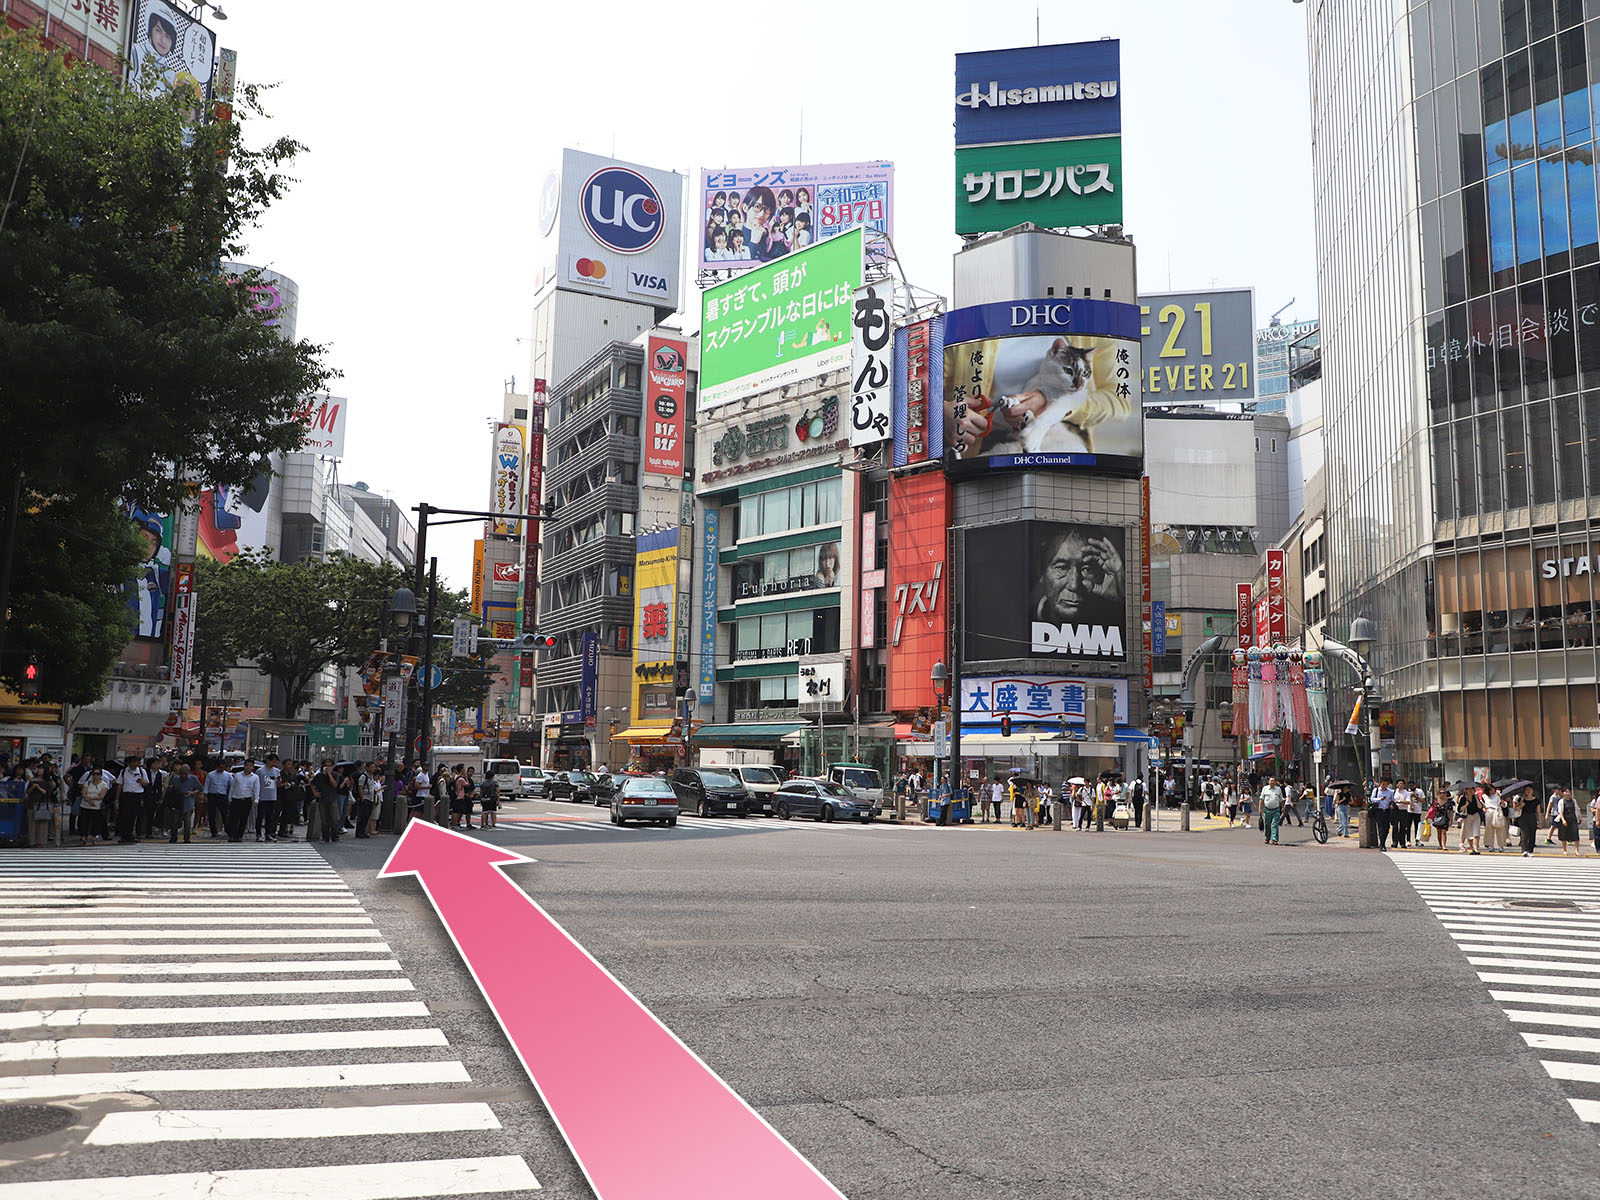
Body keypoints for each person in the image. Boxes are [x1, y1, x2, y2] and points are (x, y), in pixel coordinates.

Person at [1031, 526, 1124, 632]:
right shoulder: (1021, 623)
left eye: (1087, 569)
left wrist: (1125, 599)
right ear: (1040, 571)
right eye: (1061, 568)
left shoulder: (1118, 621)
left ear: (1102, 574)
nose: (1074, 585)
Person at [114, 754, 149, 844]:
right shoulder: (123, 771)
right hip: (126, 795)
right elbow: (119, 785)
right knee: (125, 816)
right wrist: (116, 799)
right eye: (132, 762)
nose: (134, 764)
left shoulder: (142, 771)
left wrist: (141, 781)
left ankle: (130, 835)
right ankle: (124, 835)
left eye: (136, 762)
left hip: (137, 795)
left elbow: (146, 784)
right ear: (128, 763)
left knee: (133, 816)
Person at [224, 757, 260, 842]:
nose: (248, 767)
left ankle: (239, 836)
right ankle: (232, 835)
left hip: (247, 799)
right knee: (233, 818)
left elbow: (256, 789)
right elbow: (232, 787)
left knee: (244, 819)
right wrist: (230, 797)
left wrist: (256, 799)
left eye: (250, 765)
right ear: (244, 766)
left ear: (252, 767)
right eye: (247, 765)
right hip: (236, 798)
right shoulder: (237, 775)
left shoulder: (255, 777)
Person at [164, 761, 200, 843]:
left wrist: (192, 792)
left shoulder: (193, 778)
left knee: (187, 822)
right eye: (182, 773)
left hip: (188, 802)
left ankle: (187, 838)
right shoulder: (176, 779)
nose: (184, 775)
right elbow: (171, 789)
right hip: (178, 802)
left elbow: (199, 788)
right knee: (175, 821)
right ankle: (174, 837)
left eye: (186, 773)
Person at [78, 761, 109, 845]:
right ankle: (83, 837)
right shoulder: (87, 783)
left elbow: (102, 796)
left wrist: (91, 797)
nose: (95, 776)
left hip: (97, 807)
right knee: (84, 822)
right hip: (85, 805)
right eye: (94, 774)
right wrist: (89, 800)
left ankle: (94, 837)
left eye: (98, 774)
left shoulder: (104, 785)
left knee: (96, 822)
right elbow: (83, 793)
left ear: (101, 775)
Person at [254, 754, 280, 842]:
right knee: (260, 816)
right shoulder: (260, 771)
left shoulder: (276, 771)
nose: (275, 763)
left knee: (270, 817)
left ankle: (268, 834)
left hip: (272, 796)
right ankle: (258, 834)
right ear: (268, 761)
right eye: (273, 761)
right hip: (262, 797)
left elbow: (277, 784)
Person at [203, 758, 231, 838]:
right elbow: (206, 786)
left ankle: (228, 830)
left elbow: (231, 785)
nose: (221, 769)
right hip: (212, 796)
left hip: (222, 796)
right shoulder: (211, 775)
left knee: (225, 814)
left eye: (223, 767)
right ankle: (213, 831)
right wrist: (205, 796)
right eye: (220, 767)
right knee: (212, 814)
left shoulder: (228, 775)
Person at [26, 765, 53, 848]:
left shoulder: (48, 781)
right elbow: (28, 792)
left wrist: (38, 787)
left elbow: (47, 793)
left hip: (42, 803)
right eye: (38, 769)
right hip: (32, 803)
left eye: (41, 769)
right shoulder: (32, 780)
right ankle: (32, 841)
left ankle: (40, 841)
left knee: (42, 824)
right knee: (32, 824)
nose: (39, 770)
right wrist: (33, 787)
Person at [1513, 785, 1540, 855]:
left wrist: (1539, 822)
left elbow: (1538, 811)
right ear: (1524, 791)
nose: (1528, 791)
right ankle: (1524, 850)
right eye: (1527, 790)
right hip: (1523, 817)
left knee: (1532, 834)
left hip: (1532, 817)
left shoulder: (1536, 800)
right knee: (1524, 834)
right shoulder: (1521, 799)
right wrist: (1521, 805)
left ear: (1532, 790)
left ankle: (1530, 850)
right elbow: (1515, 809)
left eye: (1530, 789)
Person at [1555, 786, 1582, 856]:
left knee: (1575, 834)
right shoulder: (1561, 801)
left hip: (1573, 819)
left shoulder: (1573, 800)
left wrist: (1580, 817)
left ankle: (1577, 850)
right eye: (1566, 792)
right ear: (1563, 793)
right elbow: (1560, 812)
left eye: (1568, 791)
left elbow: (1577, 809)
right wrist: (1563, 820)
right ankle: (1564, 850)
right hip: (1565, 818)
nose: (1567, 793)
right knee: (1563, 835)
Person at [1457, 786, 1484, 855]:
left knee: (1476, 832)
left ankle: (1476, 848)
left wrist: (1477, 798)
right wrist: (1466, 805)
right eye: (1469, 789)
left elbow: (1480, 807)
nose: (1471, 791)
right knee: (1469, 833)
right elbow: (1459, 809)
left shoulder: (1475, 797)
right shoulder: (1463, 798)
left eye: (1472, 789)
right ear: (1466, 790)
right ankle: (1471, 848)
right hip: (1467, 816)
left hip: (1476, 815)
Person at [1369, 779, 1395, 850]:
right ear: (1380, 783)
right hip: (1378, 810)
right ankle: (1382, 845)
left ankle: (1383, 842)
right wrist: (1380, 799)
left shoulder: (1390, 792)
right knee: (1381, 828)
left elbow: (1392, 800)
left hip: (1386, 811)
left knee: (1387, 828)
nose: (1384, 786)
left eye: (1386, 784)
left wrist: (1392, 804)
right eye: (1383, 784)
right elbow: (1372, 799)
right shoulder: (1376, 790)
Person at [1482, 784, 1508, 852]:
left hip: (1498, 811)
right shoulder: (1484, 796)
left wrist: (1500, 798)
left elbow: (1504, 805)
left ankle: (1501, 846)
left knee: (1500, 829)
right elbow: (1483, 804)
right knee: (1489, 829)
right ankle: (1490, 845)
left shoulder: (1498, 794)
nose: (1493, 791)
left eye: (1493, 789)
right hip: (1489, 811)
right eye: (1491, 790)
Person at [1260, 776, 1284, 845]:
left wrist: (1282, 807)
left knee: (1274, 824)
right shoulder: (1265, 789)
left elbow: (1281, 799)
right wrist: (1260, 808)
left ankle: (1275, 839)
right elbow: (1261, 799)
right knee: (1267, 824)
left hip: (1276, 809)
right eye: (1271, 781)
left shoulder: (1278, 789)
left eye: (1273, 781)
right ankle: (1267, 838)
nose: (1272, 782)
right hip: (1267, 810)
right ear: (1268, 782)